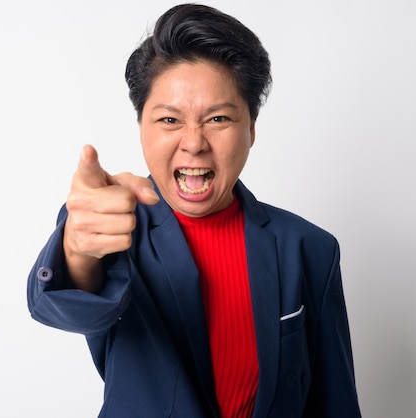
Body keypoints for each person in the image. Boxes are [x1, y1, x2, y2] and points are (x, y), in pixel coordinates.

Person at [27, 4, 361, 417]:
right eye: (169, 120)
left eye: (218, 118)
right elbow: (61, 306)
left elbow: (334, 401)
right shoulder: (107, 224)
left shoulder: (310, 248)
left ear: (251, 129)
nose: (194, 142)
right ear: (141, 128)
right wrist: (77, 249)